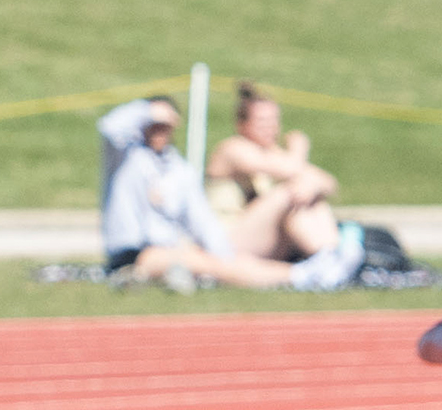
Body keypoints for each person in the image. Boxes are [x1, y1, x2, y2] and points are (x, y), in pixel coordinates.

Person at [102, 102, 362, 292]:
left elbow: (199, 217)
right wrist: (148, 110)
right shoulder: (125, 158)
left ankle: (324, 262)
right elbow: (109, 127)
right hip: (135, 253)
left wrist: (220, 251)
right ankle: (305, 275)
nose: (160, 131)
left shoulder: (178, 169)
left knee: (219, 261)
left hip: (174, 246)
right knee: (211, 264)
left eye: (166, 126)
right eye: (154, 125)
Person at [206, 82, 342, 261]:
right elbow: (291, 169)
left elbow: (330, 183)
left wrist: (313, 186)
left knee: (306, 190)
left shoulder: (273, 154)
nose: (270, 127)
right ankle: (328, 257)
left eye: (274, 120)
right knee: (290, 192)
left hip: (260, 239)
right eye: (262, 121)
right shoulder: (233, 149)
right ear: (242, 124)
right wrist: (299, 148)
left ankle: (331, 252)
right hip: (225, 241)